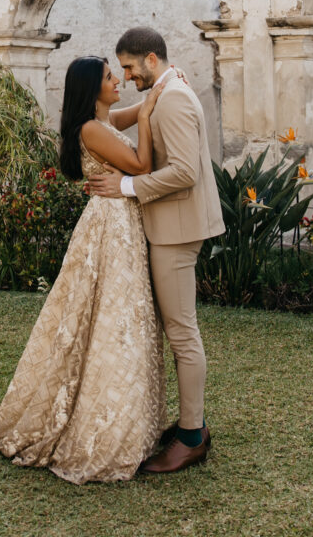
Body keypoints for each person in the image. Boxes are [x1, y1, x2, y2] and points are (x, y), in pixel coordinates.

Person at [0, 55, 171, 483]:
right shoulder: (92, 129)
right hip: (111, 228)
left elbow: (125, 114)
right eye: (111, 77)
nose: (118, 81)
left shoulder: (101, 122)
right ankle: (103, 430)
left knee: (110, 315)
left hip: (115, 224)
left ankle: (128, 421)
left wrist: (158, 89)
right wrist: (147, 117)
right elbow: (141, 166)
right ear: (93, 89)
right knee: (113, 315)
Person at [85, 26, 225, 474]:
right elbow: (117, 121)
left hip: (177, 231)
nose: (125, 76)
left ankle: (190, 438)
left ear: (149, 59)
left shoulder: (175, 97)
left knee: (182, 334)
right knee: (175, 331)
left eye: (128, 67)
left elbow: (184, 172)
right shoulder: (164, 90)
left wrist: (125, 185)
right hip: (169, 226)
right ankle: (189, 424)